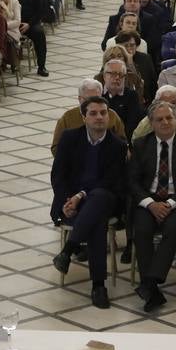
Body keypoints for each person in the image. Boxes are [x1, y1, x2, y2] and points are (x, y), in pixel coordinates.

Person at [50, 96, 128, 309]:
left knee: (100, 198)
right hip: (73, 201)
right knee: (96, 222)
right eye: (93, 113)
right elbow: (58, 175)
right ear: (84, 117)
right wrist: (68, 199)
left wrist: (80, 196)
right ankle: (98, 285)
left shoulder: (118, 146)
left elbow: (111, 182)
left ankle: (68, 250)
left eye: (103, 113)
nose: (99, 117)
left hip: (105, 196)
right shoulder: (69, 138)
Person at [128, 102, 176, 312]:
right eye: (159, 119)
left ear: (175, 119)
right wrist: (151, 204)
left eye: (169, 118)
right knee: (141, 230)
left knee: (172, 229)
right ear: (151, 123)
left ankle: (149, 283)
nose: (165, 122)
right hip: (148, 200)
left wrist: (169, 204)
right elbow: (132, 181)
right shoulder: (141, 144)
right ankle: (152, 288)